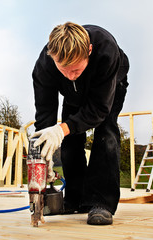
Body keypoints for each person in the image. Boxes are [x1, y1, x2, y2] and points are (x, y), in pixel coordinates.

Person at [31, 22, 129, 225]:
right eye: (63, 70)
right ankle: (75, 199)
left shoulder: (105, 50)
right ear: (52, 57)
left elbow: (99, 109)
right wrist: (44, 154)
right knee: (69, 138)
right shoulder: (45, 66)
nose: (69, 75)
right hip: (73, 92)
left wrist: (62, 127)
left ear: (89, 51)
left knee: (106, 132)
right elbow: (45, 112)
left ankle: (101, 202)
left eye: (75, 69)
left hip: (109, 83)